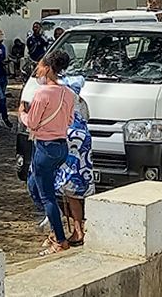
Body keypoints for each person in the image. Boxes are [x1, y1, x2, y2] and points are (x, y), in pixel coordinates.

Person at [20, 50, 75, 256]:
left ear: (49, 68)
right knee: (34, 184)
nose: (38, 71)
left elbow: (32, 123)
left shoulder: (42, 93)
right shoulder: (68, 93)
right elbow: (69, 120)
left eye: (41, 67)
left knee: (46, 195)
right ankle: (54, 222)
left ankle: (59, 239)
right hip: (61, 147)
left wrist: (22, 114)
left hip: (45, 147)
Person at [51, 76, 94, 248]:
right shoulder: (82, 103)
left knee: (65, 188)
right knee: (74, 191)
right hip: (83, 145)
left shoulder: (63, 103)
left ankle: (74, 231)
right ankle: (78, 229)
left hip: (68, 142)